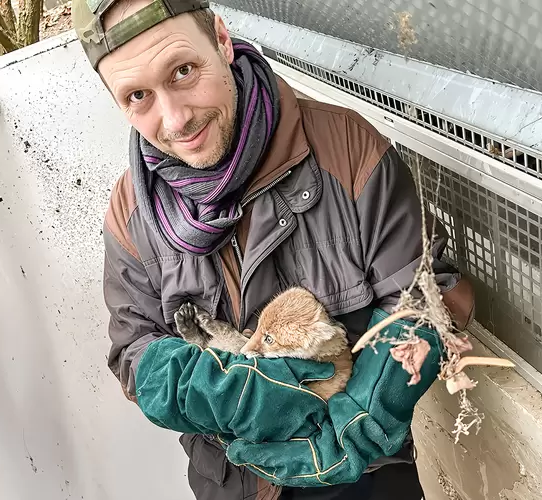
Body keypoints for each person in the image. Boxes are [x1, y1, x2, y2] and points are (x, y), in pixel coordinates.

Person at [71, 1, 476, 499]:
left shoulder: (349, 150)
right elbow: (134, 352)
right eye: (137, 96)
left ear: (221, 39)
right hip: (234, 481)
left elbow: (424, 295)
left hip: (367, 475)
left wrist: (363, 422)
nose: (175, 119)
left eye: (183, 70)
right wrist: (217, 393)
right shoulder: (130, 214)